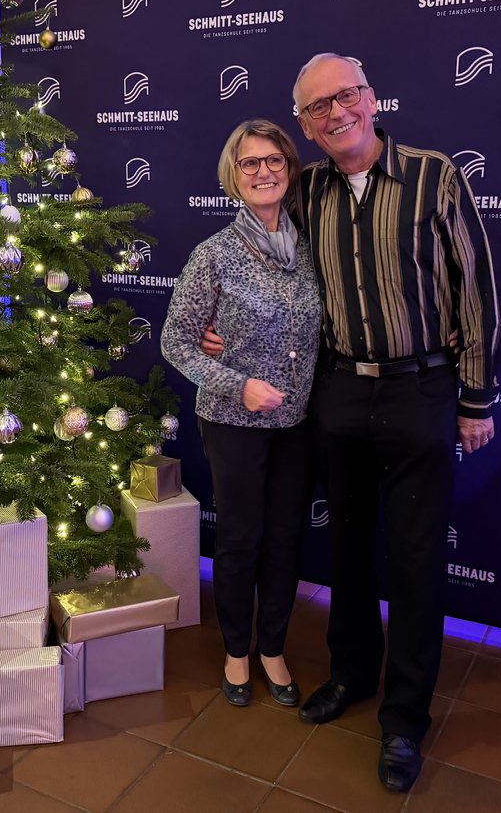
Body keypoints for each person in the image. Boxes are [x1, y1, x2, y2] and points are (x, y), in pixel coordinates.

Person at [204, 54, 500, 792]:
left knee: (416, 561)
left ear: (371, 99)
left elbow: (475, 290)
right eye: (317, 108)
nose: (336, 114)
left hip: (421, 389)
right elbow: (265, 272)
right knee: (348, 551)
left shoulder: (434, 176)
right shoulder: (307, 191)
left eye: (345, 97)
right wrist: (218, 331)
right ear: (305, 126)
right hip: (337, 393)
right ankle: (352, 673)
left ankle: (404, 720)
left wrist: (474, 398)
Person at [161, 119, 321, 709]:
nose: (263, 172)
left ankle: (272, 648)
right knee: (239, 540)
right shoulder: (215, 255)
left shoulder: (312, 249)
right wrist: (238, 384)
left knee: (284, 539)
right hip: (234, 423)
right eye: (250, 163)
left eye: (274, 160)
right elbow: (176, 342)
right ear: (233, 175)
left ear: (290, 169)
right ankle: (236, 652)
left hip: (299, 424)